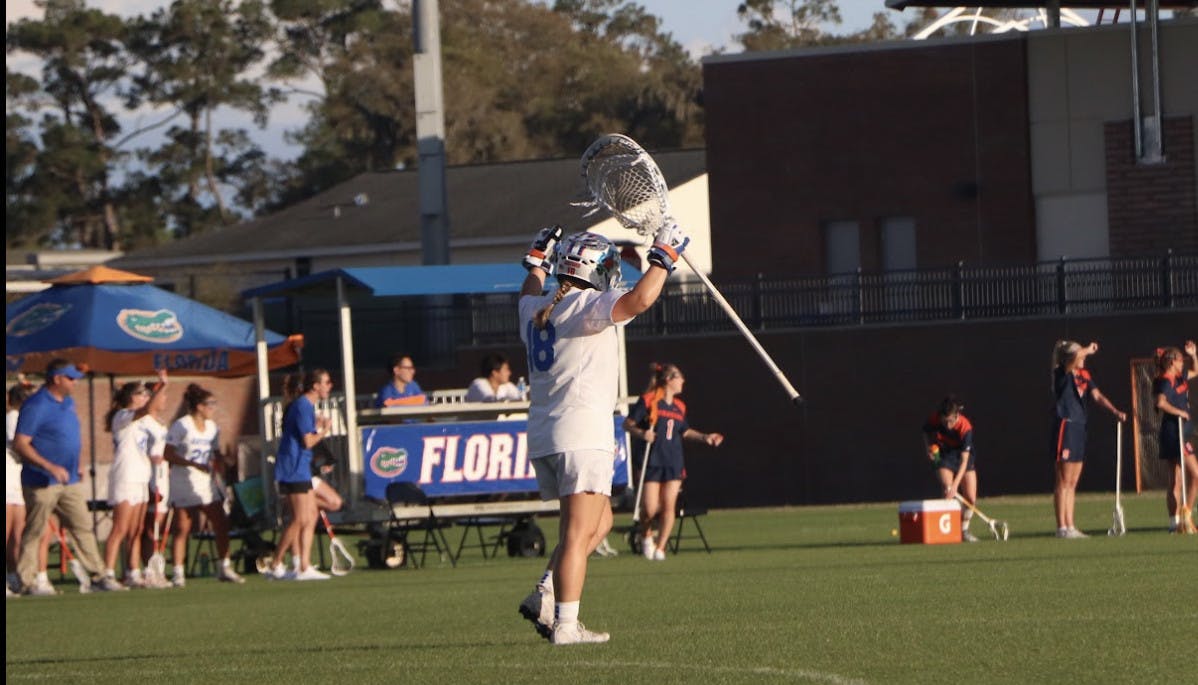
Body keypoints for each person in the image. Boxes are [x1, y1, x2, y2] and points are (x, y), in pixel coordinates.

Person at [516, 221, 686, 645]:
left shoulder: (533, 308)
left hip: (546, 433)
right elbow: (642, 298)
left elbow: (530, 286)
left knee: (603, 521)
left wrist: (536, 260)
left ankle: (546, 591)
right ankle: (566, 625)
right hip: (581, 432)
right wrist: (664, 256)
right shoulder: (587, 306)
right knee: (575, 535)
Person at [13, 360, 111, 594]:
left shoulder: (67, 402)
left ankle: (99, 576)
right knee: (35, 530)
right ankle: (27, 581)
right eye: (70, 378)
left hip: (69, 480)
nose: (75, 382)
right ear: (56, 378)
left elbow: (70, 437)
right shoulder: (36, 405)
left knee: (82, 526)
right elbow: (21, 443)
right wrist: (49, 466)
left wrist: (77, 464)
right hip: (41, 481)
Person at [625, 363, 724, 561]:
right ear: (669, 380)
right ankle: (646, 536)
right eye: (679, 378)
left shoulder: (680, 406)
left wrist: (705, 437)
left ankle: (661, 548)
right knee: (650, 508)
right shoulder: (649, 400)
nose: (683, 382)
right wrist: (642, 433)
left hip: (673, 461)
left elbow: (684, 431)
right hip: (652, 460)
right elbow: (628, 424)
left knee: (669, 506)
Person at [164, 383, 245, 586]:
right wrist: (192, 463)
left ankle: (224, 567)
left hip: (205, 482)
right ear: (199, 406)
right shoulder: (182, 425)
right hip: (183, 480)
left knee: (220, 522)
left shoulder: (212, 428)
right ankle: (178, 572)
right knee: (182, 528)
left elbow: (214, 453)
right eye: (210, 404)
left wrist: (226, 460)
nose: (213, 408)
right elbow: (168, 453)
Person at [1050, 340, 1127, 538]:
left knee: (1073, 480)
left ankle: (1070, 525)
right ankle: (1062, 527)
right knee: (1063, 480)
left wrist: (1114, 411)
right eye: (1080, 356)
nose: (1084, 358)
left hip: (1079, 426)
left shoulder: (1084, 375)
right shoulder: (1062, 372)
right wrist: (1086, 350)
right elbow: (1070, 359)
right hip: (1066, 425)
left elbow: (1097, 396)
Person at [101, 371, 168, 589]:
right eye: (141, 393)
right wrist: (162, 385)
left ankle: (133, 571)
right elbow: (148, 408)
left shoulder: (142, 421)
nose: (146, 396)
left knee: (136, 529)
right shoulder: (122, 416)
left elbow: (154, 415)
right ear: (131, 397)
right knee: (120, 528)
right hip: (125, 477)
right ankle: (108, 574)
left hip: (141, 477)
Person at [267, 369, 334, 581]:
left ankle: (303, 566)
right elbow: (308, 441)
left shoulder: (305, 406)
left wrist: (317, 425)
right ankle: (275, 564)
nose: (329, 386)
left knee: (310, 516)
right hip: (292, 468)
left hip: (300, 467)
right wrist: (324, 430)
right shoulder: (303, 405)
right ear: (315, 386)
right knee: (299, 518)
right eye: (326, 382)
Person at [1153, 341, 1198, 533]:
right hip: (1173, 431)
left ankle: (1184, 515)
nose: (1183, 363)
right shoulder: (1164, 381)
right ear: (1172, 362)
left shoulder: (1180, 377)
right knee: (1184, 477)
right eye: (1181, 360)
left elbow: (1196, 371)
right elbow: (1160, 403)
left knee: (1186, 478)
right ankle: (1177, 521)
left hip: (1184, 431)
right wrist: (1179, 412)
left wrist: (1193, 354)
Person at [922, 395, 978, 542]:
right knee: (947, 491)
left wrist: (956, 485)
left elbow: (965, 461)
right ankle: (946, 532)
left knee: (970, 498)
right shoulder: (935, 419)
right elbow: (926, 431)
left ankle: (964, 530)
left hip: (963, 457)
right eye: (945, 421)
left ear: (957, 415)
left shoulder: (965, 427)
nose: (947, 425)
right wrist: (928, 447)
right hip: (944, 455)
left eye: (951, 421)